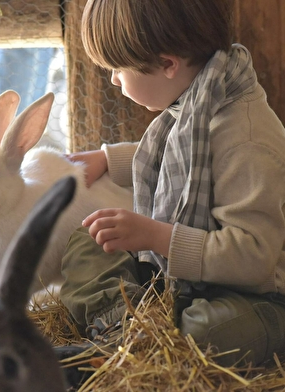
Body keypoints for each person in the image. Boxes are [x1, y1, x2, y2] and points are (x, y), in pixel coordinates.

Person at [55, 0, 285, 380]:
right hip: (190, 275)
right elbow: (185, 158)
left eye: (118, 68)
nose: (114, 80)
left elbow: (253, 256)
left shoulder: (247, 139)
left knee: (207, 332)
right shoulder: (203, 97)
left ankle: (125, 349)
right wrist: (109, 159)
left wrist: (156, 236)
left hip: (259, 294)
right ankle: (122, 333)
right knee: (89, 239)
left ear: (167, 64)